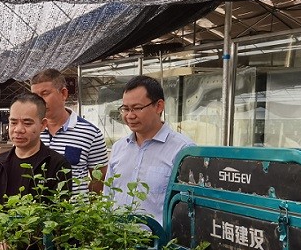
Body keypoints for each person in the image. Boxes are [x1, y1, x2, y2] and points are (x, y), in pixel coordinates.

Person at [0, 93, 71, 250]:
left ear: (43, 125)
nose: (18, 130)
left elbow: (57, 215)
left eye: (27, 123)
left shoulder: (56, 165)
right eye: (13, 122)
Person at [104, 75, 194, 226]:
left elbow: (188, 208)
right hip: (118, 238)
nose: (130, 115)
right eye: (125, 109)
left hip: (158, 240)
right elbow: (108, 196)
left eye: (137, 108)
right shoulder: (119, 148)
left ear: (159, 106)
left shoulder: (182, 150)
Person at [30, 68, 108, 194]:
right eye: (35, 97)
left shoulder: (90, 134)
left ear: (63, 94)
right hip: (34, 206)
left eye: (45, 94)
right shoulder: (30, 131)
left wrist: (84, 203)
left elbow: (100, 178)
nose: (40, 101)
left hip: (73, 207)